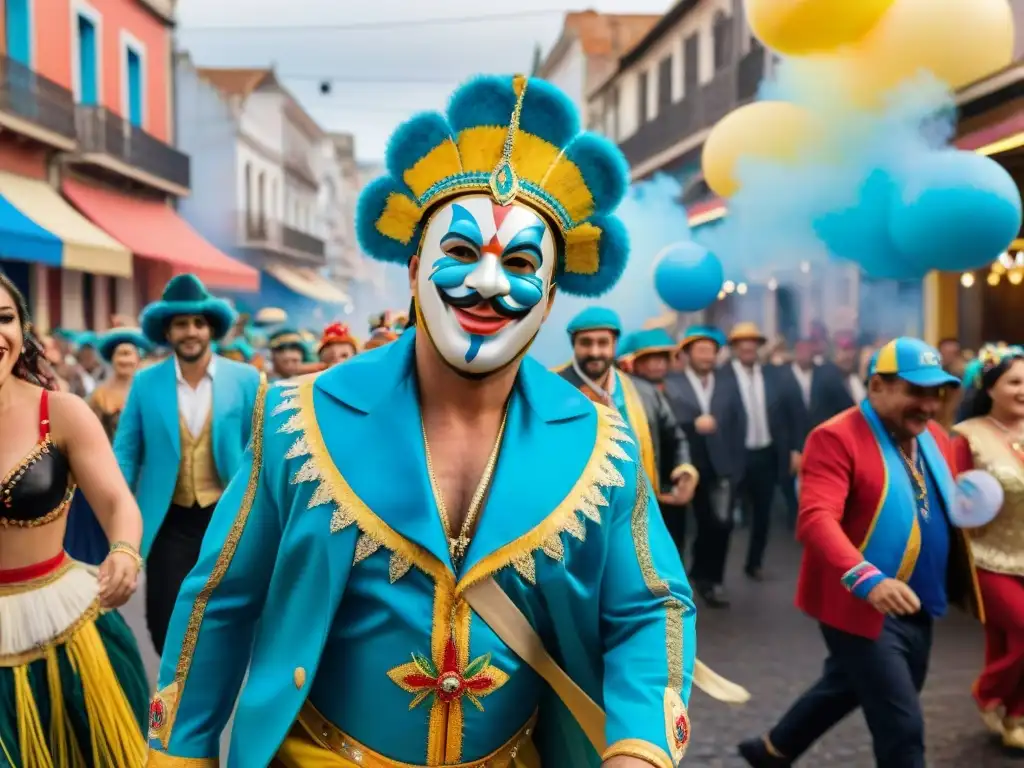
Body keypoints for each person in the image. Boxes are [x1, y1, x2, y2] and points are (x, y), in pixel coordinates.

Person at [148, 73, 697, 768]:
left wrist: (640, 746)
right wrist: (180, 751)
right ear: (413, 270)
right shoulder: (298, 418)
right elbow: (220, 601)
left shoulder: (601, 445)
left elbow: (652, 606)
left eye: (522, 263)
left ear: (551, 297)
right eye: (462, 253)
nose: (490, 285)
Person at [739, 337, 983, 768]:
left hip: (919, 601)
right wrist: (867, 579)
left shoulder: (936, 438)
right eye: (915, 391)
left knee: (847, 684)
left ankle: (774, 750)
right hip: (858, 606)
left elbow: (947, 502)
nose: (928, 405)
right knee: (902, 725)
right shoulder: (835, 437)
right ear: (877, 387)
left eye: (935, 393)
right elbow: (816, 519)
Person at [0, 272, 148, 766]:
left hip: (64, 626)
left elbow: (116, 503)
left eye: (4, 319)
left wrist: (124, 552)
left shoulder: (61, 412)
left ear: (22, 331)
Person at [113, 273, 263, 655]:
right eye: (181, 324)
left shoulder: (246, 379)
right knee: (162, 618)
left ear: (211, 329)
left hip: (226, 514)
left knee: (223, 615)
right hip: (167, 520)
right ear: (168, 332)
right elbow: (127, 451)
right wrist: (115, 506)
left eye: (198, 323)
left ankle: (205, 696)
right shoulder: (146, 383)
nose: (191, 332)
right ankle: (171, 697)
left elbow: (261, 450)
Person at [952, 343, 1024, 750]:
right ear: (990, 387)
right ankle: (988, 692)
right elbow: (953, 500)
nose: (1023, 390)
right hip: (989, 559)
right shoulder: (969, 436)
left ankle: (1015, 716)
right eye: (1014, 382)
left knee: (1007, 641)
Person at [558, 307, 698, 509]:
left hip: (636, 508)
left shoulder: (644, 391)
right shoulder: (552, 389)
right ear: (574, 345)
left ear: (614, 345)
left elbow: (674, 437)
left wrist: (684, 469)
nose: (595, 352)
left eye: (603, 343)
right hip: (574, 511)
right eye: (586, 343)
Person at [664, 325, 746, 608]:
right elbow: (666, 422)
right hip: (683, 466)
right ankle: (674, 584)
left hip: (720, 466)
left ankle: (710, 580)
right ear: (687, 354)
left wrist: (737, 466)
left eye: (711, 351)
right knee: (677, 528)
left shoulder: (727, 383)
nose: (707, 356)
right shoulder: (671, 383)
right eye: (701, 350)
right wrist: (692, 425)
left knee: (720, 525)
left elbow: (739, 423)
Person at [718, 322, 797, 581]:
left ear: (759, 346)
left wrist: (793, 450)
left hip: (766, 454)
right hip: (735, 457)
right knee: (725, 518)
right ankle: (715, 574)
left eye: (752, 341)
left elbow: (788, 415)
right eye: (742, 342)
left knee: (763, 516)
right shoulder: (722, 376)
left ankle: (754, 563)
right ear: (735, 347)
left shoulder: (773, 375)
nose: (748, 346)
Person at [89, 327, 152, 441]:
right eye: (120, 354)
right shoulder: (99, 395)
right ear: (112, 359)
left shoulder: (150, 391)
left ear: (138, 359)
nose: (124, 360)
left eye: (128, 354)